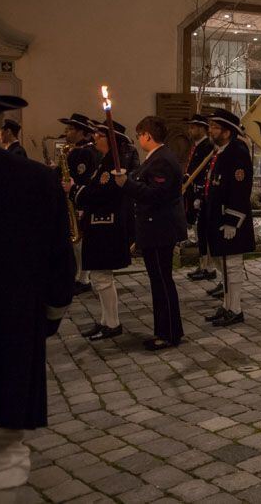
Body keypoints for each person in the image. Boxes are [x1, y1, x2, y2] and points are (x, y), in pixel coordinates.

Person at [0, 88, 74, 491]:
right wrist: (49, 316)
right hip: (8, 338)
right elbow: (60, 267)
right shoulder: (35, 181)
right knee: (2, 459)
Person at [115, 116, 186, 350]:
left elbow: (156, 194)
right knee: (159, 281)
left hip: (159, 228)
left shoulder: (162, 160)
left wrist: (127, 184)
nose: (138, 139)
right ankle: (167, 330)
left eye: (139, 135)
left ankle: (168, 333)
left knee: (162, 281)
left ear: (147, 135)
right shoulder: (156, 158)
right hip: (155, 227)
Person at [70, 121, 135, 342]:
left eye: (100, 135)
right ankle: (107, 321)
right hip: (99, 224)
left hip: (106, 226)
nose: (95, 138)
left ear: (111, 140)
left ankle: (112, 323)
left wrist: (75, 190)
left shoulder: (114, 165)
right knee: (100, 278)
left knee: (102, 277)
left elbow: (101, 194)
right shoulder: (104, 162)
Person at [199, 109, 255, 327]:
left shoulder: (237, 151)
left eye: (215, 127)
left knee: (232, 264)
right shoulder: (222, 150)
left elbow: (240, 188)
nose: (211, 130)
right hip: (217, 215)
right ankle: (226, 305)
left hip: (230, 218)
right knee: (223, 263)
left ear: (227, 131)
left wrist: (233, 220)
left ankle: (235, 308)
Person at [58, 112, 101, 296]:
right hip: (72, 198)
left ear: (81, 132)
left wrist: (79, 202)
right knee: (75, 241)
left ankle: (83, 278)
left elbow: (83, 177)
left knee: (79, 241)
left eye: (70, 129)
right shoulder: (75, 150)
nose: (66, 132)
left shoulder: (86, 152)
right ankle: (79, 275)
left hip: (80, 200)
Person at [183, 114, 217, 283]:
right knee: (198, 231)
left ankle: (208, 266)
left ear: (203, 128)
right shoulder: (197, 145)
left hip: (200, 193)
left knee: (203, 232)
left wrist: (200, 194)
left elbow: (205, 172)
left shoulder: (208, 146)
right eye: (190, 127)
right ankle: (203, 264)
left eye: (195, 127)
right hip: (192, 191)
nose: (191, 129)